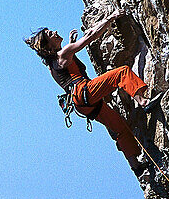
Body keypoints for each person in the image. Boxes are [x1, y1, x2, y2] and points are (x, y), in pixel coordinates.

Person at [25, 15, 161, 165]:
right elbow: (91, 36)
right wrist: (110, 18)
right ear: (49, 47)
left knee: (120, 127)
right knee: (121, 73)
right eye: (50, 34)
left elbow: (69, 68)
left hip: (81, 105)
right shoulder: (62, 54)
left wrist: (71, 44)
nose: (55, 32)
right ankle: (143, 101)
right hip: (84, 91)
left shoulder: (53, 65)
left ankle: (135, 165)